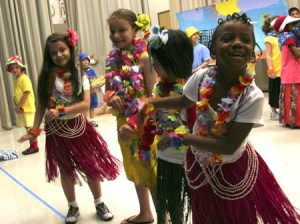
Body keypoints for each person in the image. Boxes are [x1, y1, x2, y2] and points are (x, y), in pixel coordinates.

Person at [140, 13, 300, 223]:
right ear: (214, 50)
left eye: (245, 40)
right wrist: (151, 103)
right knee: (205, 216)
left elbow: (228, 146)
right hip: (199, 165)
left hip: (233, 169)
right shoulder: (201, 77)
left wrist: (180, 137)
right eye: (227, 39)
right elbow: (183, 102)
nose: (237, 44)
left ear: (253, 52)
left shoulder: (252, 96)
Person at [18, 28, 120, 224]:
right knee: (65, 170)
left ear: (70, 49)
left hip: (79, 128)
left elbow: (84, 104)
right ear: (48, 56)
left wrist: (61, 111)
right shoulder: (45, 77)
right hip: (56, 132)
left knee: (90, 166)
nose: (59, 55)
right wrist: (34, 130)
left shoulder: (79, 75)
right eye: (53, 52)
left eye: (62, 50)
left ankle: (99, 202)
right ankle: (72, 206)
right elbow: (41, 105)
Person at [105, 9, 156, 224]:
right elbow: (108, 88)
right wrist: (110, 96)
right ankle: (145, 213)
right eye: (112, 31)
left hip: (145, 124)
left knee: (151, 171)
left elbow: (153, 97)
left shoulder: (146, 58)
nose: (116, 35)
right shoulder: (112, 58)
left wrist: (135, 122)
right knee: (135, 168)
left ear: (135, 29)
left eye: (122, 30)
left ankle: (164, 215)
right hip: (122, 123)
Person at [140, 27, 193, 224]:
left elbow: (201, 128)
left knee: (197, 204)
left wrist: (175, 136)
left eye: (158, 62)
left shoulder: (193, 88)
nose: (153, 65)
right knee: (171, 205)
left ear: (175, 59)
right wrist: (145, 147)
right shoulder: (158, 87)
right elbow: (151, 120)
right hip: (166, 159)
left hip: (191, 162)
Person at [6, 55, 39, 155]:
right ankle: (33, 146)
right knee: (28, 128)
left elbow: (26, 93)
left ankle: (34, 147)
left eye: (16, 67)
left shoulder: (24, 78)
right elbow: (17, 93)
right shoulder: (17, 79)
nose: (14, 70)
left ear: (21, 68)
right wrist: (16, 104)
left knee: (31, 129)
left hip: (27, 108)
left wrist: (19, 106)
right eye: (12, 68)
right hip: (23, 108)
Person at [273, 15, 300, 128]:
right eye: (290, 24)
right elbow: (297, 54)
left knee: (290, 98)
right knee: (296, 98)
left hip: (287, 71)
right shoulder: (289, 38)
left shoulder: (282, 37)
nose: (293, 26)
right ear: (285, 26)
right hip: (294, 71)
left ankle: (290, 120)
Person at [261, 15, 282, 120]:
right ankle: (273, 112)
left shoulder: (283, 35)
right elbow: (268, 55)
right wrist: (270, 69)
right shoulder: (269, 38)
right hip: (275, 68)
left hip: (285, 69)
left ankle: (284, 110)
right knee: (274, 90)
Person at [79, 52, 99, 127]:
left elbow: (96, 79)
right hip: (84, 92)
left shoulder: (91, 70)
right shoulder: (80, 72)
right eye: (83, 60)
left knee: (92, 106)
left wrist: (97, 87)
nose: (86, 61)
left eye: (87, 60)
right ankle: (85, 121)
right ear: (80, 63)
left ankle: (92, 119)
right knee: (85, 106)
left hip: (92, 91)